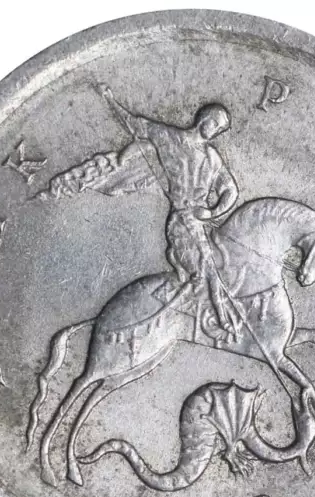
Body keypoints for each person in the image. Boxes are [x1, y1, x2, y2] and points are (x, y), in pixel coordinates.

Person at [101, 84, 240, 333]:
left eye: (220, 129)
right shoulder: (170, 138)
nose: (216, 131)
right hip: (180, 221)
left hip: (199, 221)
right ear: (204, 119)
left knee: (220, 263)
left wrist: (212, 212)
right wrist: (109, 99)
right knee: (204, 268)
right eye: (216, 125)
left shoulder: (212, 157)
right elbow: (134, 124)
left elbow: (231, 190)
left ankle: (216, 313)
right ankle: (209, 316)